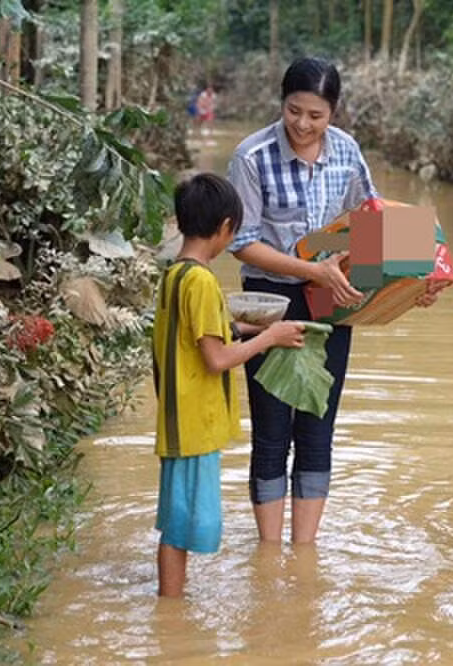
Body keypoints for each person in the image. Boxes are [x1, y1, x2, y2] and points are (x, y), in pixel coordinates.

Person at [227, 57, 437, 544]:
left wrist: (417, 282)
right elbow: (243, 241)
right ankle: (268, 553)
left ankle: (303, 555)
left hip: (332, 302)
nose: (302, 124)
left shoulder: (347, 152)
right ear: (281, 103)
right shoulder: (251, 156)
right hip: (269, 302)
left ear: (334, 113)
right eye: (293, 111)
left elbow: (376, 223)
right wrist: (309, 270)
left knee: (318, 428)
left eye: (315, 116)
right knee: (272, 430)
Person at [151, 173, 305, 597]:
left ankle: (171, 605)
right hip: (194, 421)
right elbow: (215, 358)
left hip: (177, 417)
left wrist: (242, 326)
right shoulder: (201, 282)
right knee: (181, 527)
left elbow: (198, 334)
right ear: (225, 229)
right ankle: (172, 607)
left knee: (174, 520)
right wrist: (268, 338)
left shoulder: (176, 275)